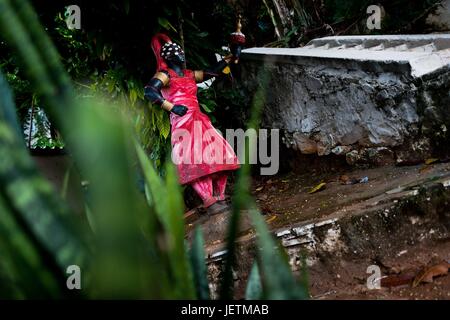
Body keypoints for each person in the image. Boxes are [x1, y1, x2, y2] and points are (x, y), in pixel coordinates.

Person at [144, 33, 241, 216]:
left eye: (181, 52)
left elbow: (213, 71)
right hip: (183, 123)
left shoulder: (189, 74)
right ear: (170, 56)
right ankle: (209, 201)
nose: (182, 55)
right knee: (193, 161)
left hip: (199, 119)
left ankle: (220, 197)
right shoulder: (165, 75)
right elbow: (149, 91)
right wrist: (171, 107)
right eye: (178, 53)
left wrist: (232, 55)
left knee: (220, 154)